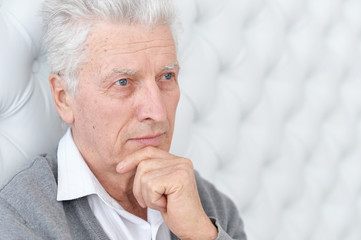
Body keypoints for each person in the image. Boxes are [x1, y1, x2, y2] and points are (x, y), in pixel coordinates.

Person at [0, 0, 246, 239]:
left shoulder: (210, 207)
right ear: (64, 98)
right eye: (123, 82)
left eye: (167, 76)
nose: (157, 112)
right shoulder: (19, 218)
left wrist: (201, 236)